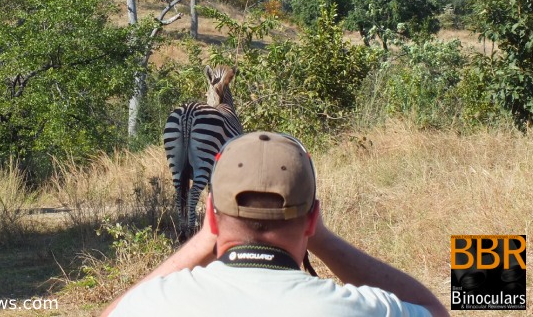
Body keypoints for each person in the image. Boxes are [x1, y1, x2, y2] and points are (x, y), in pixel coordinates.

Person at [102, 131, 449, 317]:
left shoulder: (157, 303)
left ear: (210, 214)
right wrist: (323, 239)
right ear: (312, 219)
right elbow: (435, 311)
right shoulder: (357, 307)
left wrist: (207, 236)